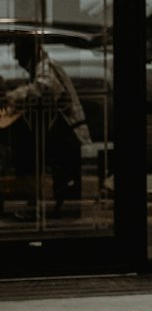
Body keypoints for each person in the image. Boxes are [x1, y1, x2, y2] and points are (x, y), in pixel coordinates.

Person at [4, 36, 92, 218]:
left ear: (30, 53)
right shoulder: (43, 67)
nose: (17, 61)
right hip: (65, 131)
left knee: (27, 151)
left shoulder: (46, 67)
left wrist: (12, 97)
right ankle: (37, 200)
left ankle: (37, 201)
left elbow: (42, 89)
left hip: (71, 133)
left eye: (19, 56)